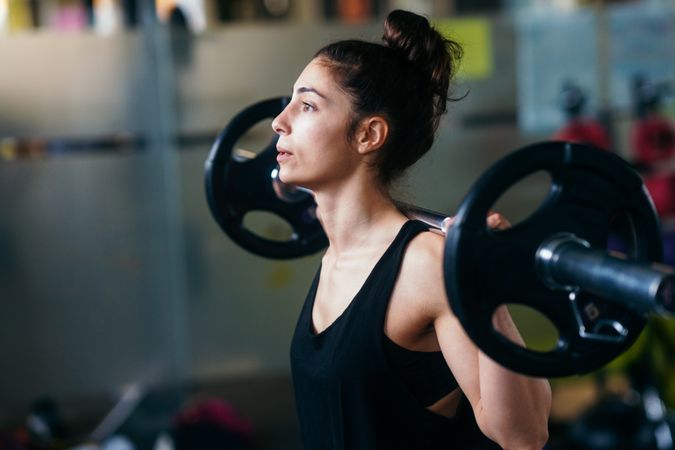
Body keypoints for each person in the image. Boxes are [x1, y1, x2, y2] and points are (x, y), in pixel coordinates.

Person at [271, 9, 552, 450]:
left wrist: (489, 296)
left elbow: (524, 435)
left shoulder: (427, 265)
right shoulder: (335, 257)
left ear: (368, 134)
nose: (279, 121)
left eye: (306, 105)